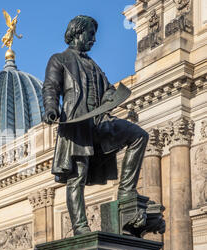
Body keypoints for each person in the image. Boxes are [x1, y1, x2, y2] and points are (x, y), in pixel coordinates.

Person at [43, 15, 149, 236]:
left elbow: (107, 89)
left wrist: (114, 96)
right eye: (90, 35)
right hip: (77, 124)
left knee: (139, 135)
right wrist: (51, 109)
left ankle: (126, 192)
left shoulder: (93, 65)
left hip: (100, 120)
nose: (93, 40)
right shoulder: (59, 59)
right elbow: (51, 87)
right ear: (77, 32)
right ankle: (80, 227)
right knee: (77, 175)